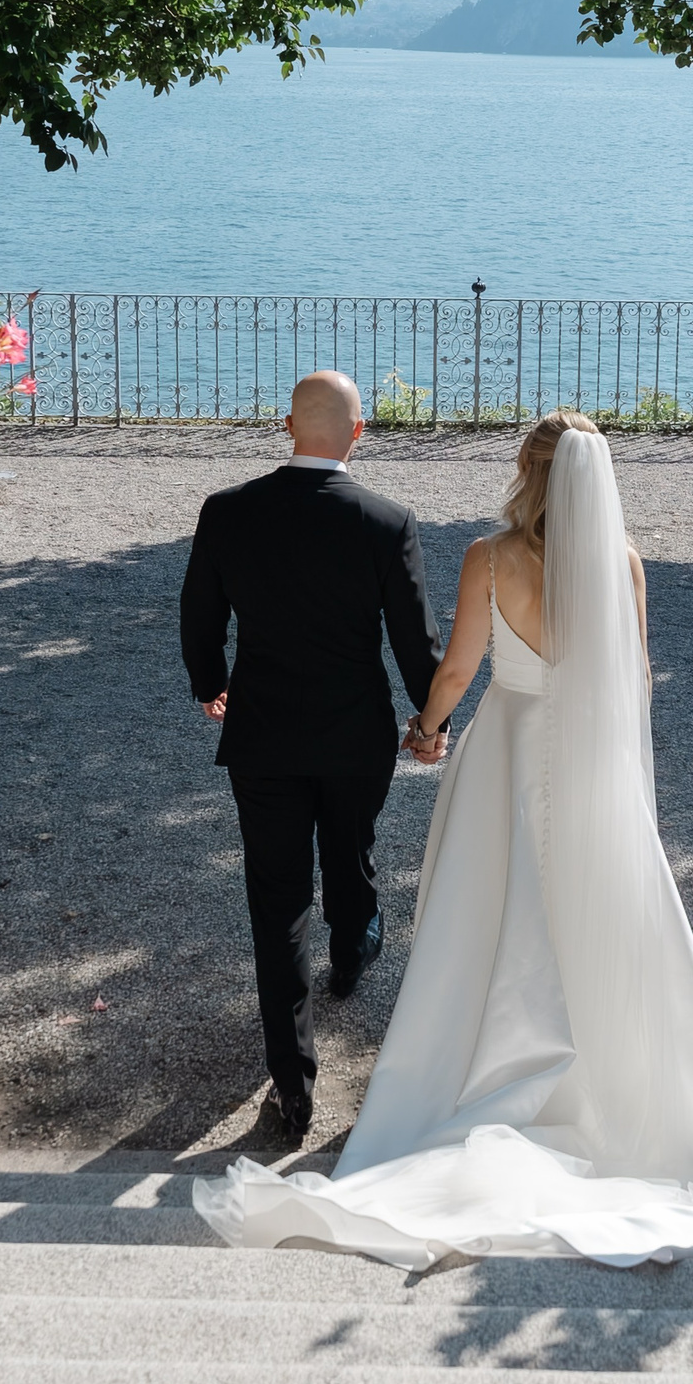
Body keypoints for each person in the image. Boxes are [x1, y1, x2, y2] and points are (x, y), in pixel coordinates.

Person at [193, 411, 693, 1268]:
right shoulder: (625, 565)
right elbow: (636, 679)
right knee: (595, 904)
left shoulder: (490, 558)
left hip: (509, 749)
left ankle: (482, 1061)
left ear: (528, 473)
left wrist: (426, 727)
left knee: (492, 908)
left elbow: (458, 669)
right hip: (590, 761)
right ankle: (610, 1083)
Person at [179, 370, 443, 1145]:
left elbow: (199, 613)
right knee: (352, 842)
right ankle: (355, 943)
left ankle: (292, 1082)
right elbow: (414, 639)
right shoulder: (386, 521)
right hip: (357, 731)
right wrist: (429, 720)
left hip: (263, 733)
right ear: (358, 434)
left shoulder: (228, 512)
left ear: (286, 426)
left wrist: (211, 682)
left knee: (276, 896)